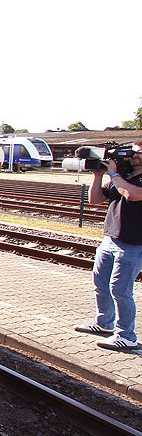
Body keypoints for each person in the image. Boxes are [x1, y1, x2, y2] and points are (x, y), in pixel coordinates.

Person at [75, 143, 142, 350]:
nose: (134, 156)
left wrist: (114, 175)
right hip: (110, 238)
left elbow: (132, 195)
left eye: (139, 153)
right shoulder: (122, 177)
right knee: (101, 283)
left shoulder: (126, 179)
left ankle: (127, 336)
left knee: (121, 290)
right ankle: (104, 324)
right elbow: (95, 200)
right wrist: (98, 175)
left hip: (133, 243)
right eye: (133, 152)